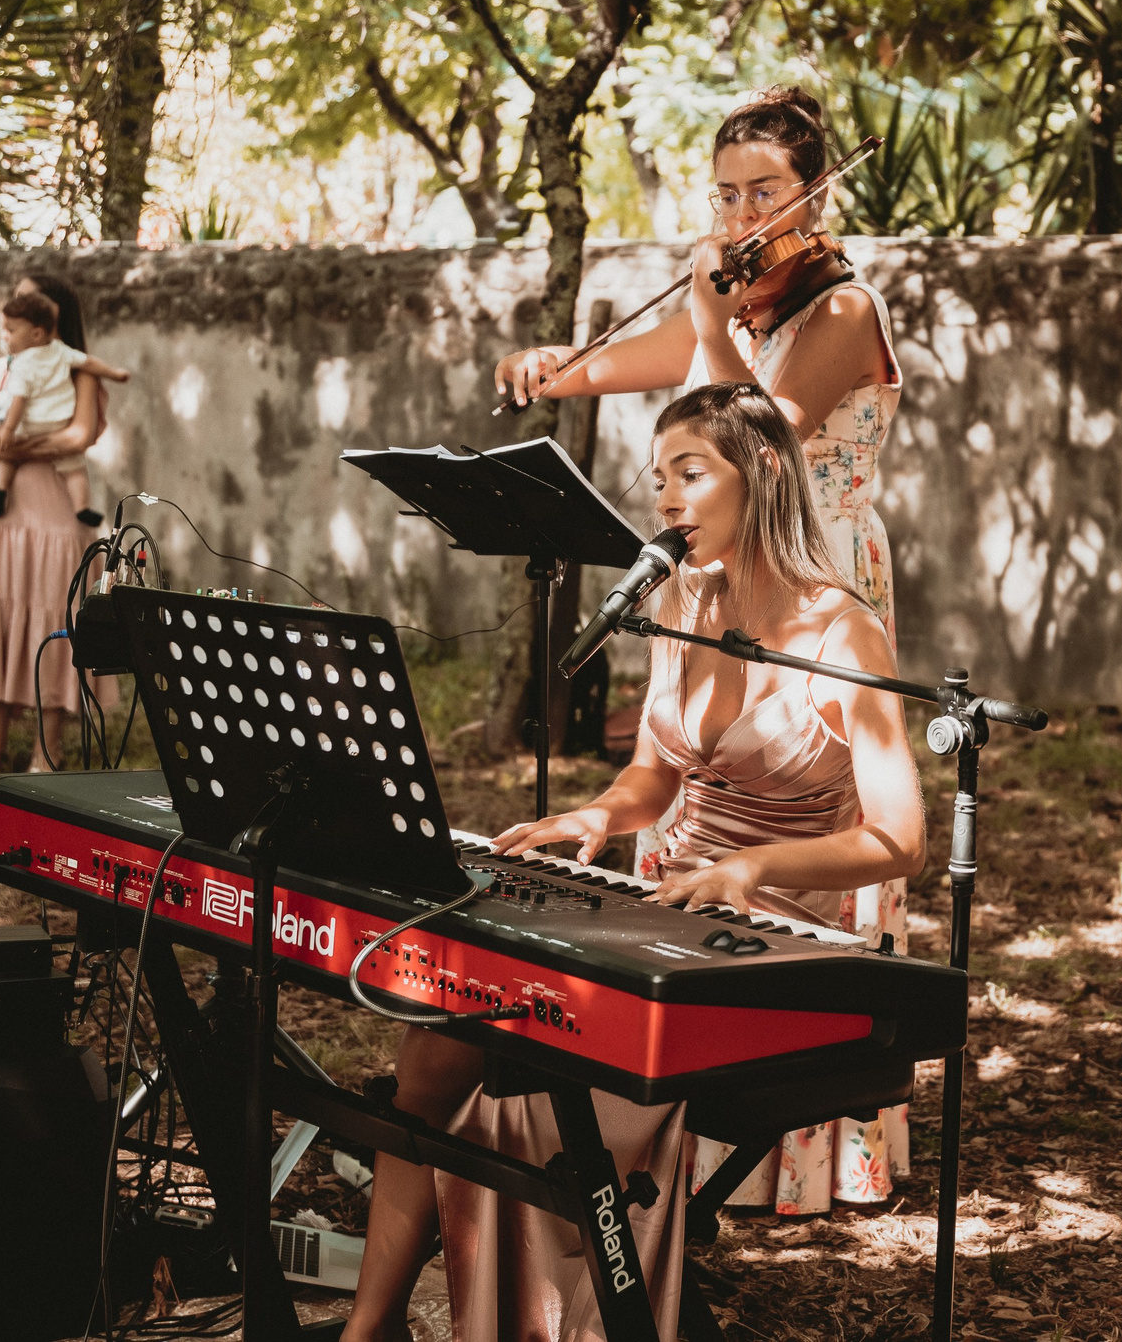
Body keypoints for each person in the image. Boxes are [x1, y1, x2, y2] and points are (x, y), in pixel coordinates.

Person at [342, 383, 928, 1342]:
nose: (665, 500)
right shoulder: (684, 599)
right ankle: (369, 1332)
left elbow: (897, 837)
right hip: (665, 902)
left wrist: (748, 870)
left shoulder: (840, 630)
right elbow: (654, 775)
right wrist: (596, 815)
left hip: (773, 938)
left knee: (527, 1079)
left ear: (766, 469)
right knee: (437, 1040)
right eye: (658, 480)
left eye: (691, 474)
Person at [492, 85, 913, 1212]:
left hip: (815, 574)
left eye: (763, 193)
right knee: (697, 771)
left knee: (807, 803)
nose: (739, 215)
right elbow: (656, 366)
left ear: (812, 194)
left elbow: (740, 419)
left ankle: (811, 1134)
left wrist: (702, 300)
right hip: (727, 573)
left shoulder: (838, 309)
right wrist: (556, 367)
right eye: (724, 194)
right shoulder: (743, 301)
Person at [0, 272, 117, 779]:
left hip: (59, 516)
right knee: (0, 616)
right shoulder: (1, 369)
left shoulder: (79, 372)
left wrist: (14, 447)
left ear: (51, 319)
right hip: (10, 515)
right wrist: (1, 447)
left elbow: (80, 434)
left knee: (54, 620)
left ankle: (48, 748)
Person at [0, 290, 131, 524]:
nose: (6, 336)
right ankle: (82, 508)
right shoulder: (60, 351)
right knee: (75, 468)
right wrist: (114, 373)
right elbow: (88, 362)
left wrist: (8, 429)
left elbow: (19, 400)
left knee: (7, 458)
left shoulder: (22, 364)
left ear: (37, 334)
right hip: (59, 422)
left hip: (29, 423)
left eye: (11, 330)